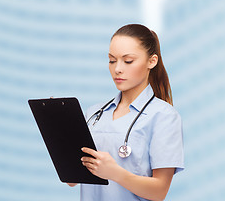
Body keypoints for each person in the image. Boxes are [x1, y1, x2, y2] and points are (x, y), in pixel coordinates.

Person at [68, 24, 184, 201]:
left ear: (152, 61)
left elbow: (159, 191)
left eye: (128, 61)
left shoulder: (164, 116)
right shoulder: (94, 114)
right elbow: (72, 181)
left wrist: (116, 173)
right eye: (112, 60)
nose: (117, 69)